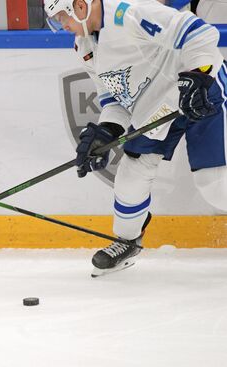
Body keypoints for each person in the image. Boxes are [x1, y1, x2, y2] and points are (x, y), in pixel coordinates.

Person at [44, 0, 226, 276]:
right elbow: (114, 101)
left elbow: (200, 33)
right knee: (130, 178)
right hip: (157, 107)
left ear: (78, 6)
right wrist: (105, 132)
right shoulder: (84, 47)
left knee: (214, 182)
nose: (63, 25)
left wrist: (198, 76)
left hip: (200, 92)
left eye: (61, 17)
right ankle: (127, 241)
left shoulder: (126, 12)